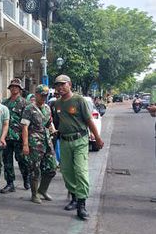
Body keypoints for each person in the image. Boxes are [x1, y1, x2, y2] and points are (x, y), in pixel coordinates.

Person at [54, 75, 104, 220]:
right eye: (58, 85)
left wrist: (97, 138)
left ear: (69, 84)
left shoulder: (79, 100)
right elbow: (58, 122)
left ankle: (82, 205)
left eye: (63, 84)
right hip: (64, 141)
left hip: (80, 140)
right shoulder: (57, 103)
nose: (60, 87)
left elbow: (89, 120)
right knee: (67, 171)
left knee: (81, 171)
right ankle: (74, 198)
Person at [21, 85, 57, 204]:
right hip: (34, 142)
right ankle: (34, 193)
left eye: (45, 95)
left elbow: (49, 123)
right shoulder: (29, 109)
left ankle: (43, 190)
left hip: (47, 141)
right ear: (36, 94)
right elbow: (25, 127)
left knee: (51, 168)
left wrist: (53, 129)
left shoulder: (47, 108)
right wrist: (25, 145)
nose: (43, 97)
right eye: (41, 95)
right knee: (34, 169)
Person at [1, 78, 30, 193]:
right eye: (12, 86)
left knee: (22, 160)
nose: (14, 88)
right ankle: (10, 183)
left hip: (19, 137)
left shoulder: (25, 103)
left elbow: (27, 122)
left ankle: (26, 179)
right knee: (7, 161)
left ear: (20, 89)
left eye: (16, 87)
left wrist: (26, 141)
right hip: (7, 137)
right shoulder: (5, 103)